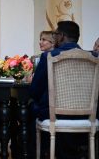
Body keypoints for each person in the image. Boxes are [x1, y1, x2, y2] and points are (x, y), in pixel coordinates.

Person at [28, 21, 97, 158]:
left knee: (30, 107)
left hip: (53, 115)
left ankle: (38, 153)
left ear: (62, 36)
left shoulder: (49, 56)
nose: (54, 37)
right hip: (87, 116)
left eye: (55, 34)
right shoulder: (94, 58)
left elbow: (35, 91)